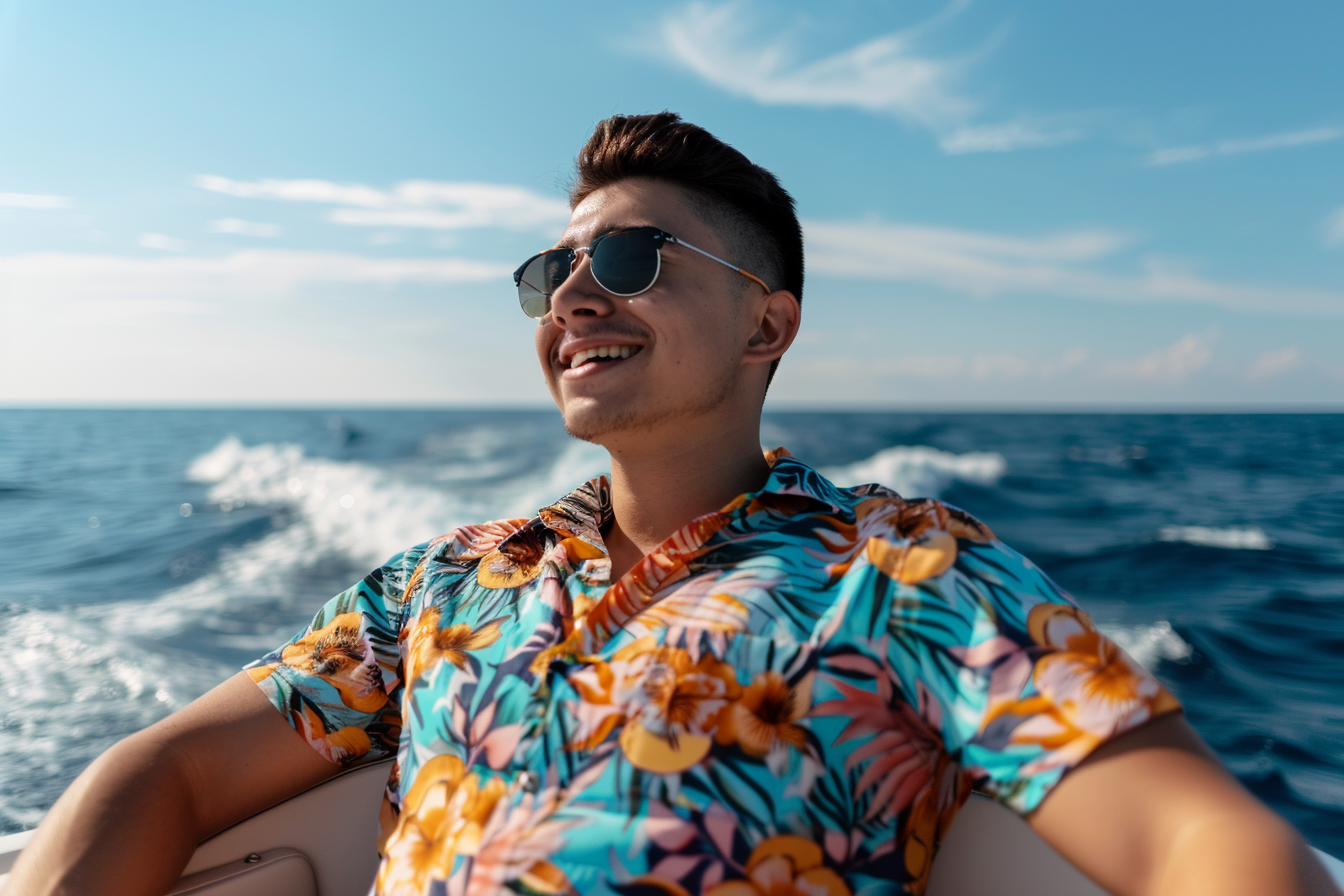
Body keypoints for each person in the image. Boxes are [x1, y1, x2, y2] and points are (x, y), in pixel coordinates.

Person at [5, 112, 1339, 896]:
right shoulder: (439, 585)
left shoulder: (903, 571)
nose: (577, 296)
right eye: (552, 272)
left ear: (770, 323)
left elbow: (1200, 843)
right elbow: (163, 772)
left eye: (633, 259)